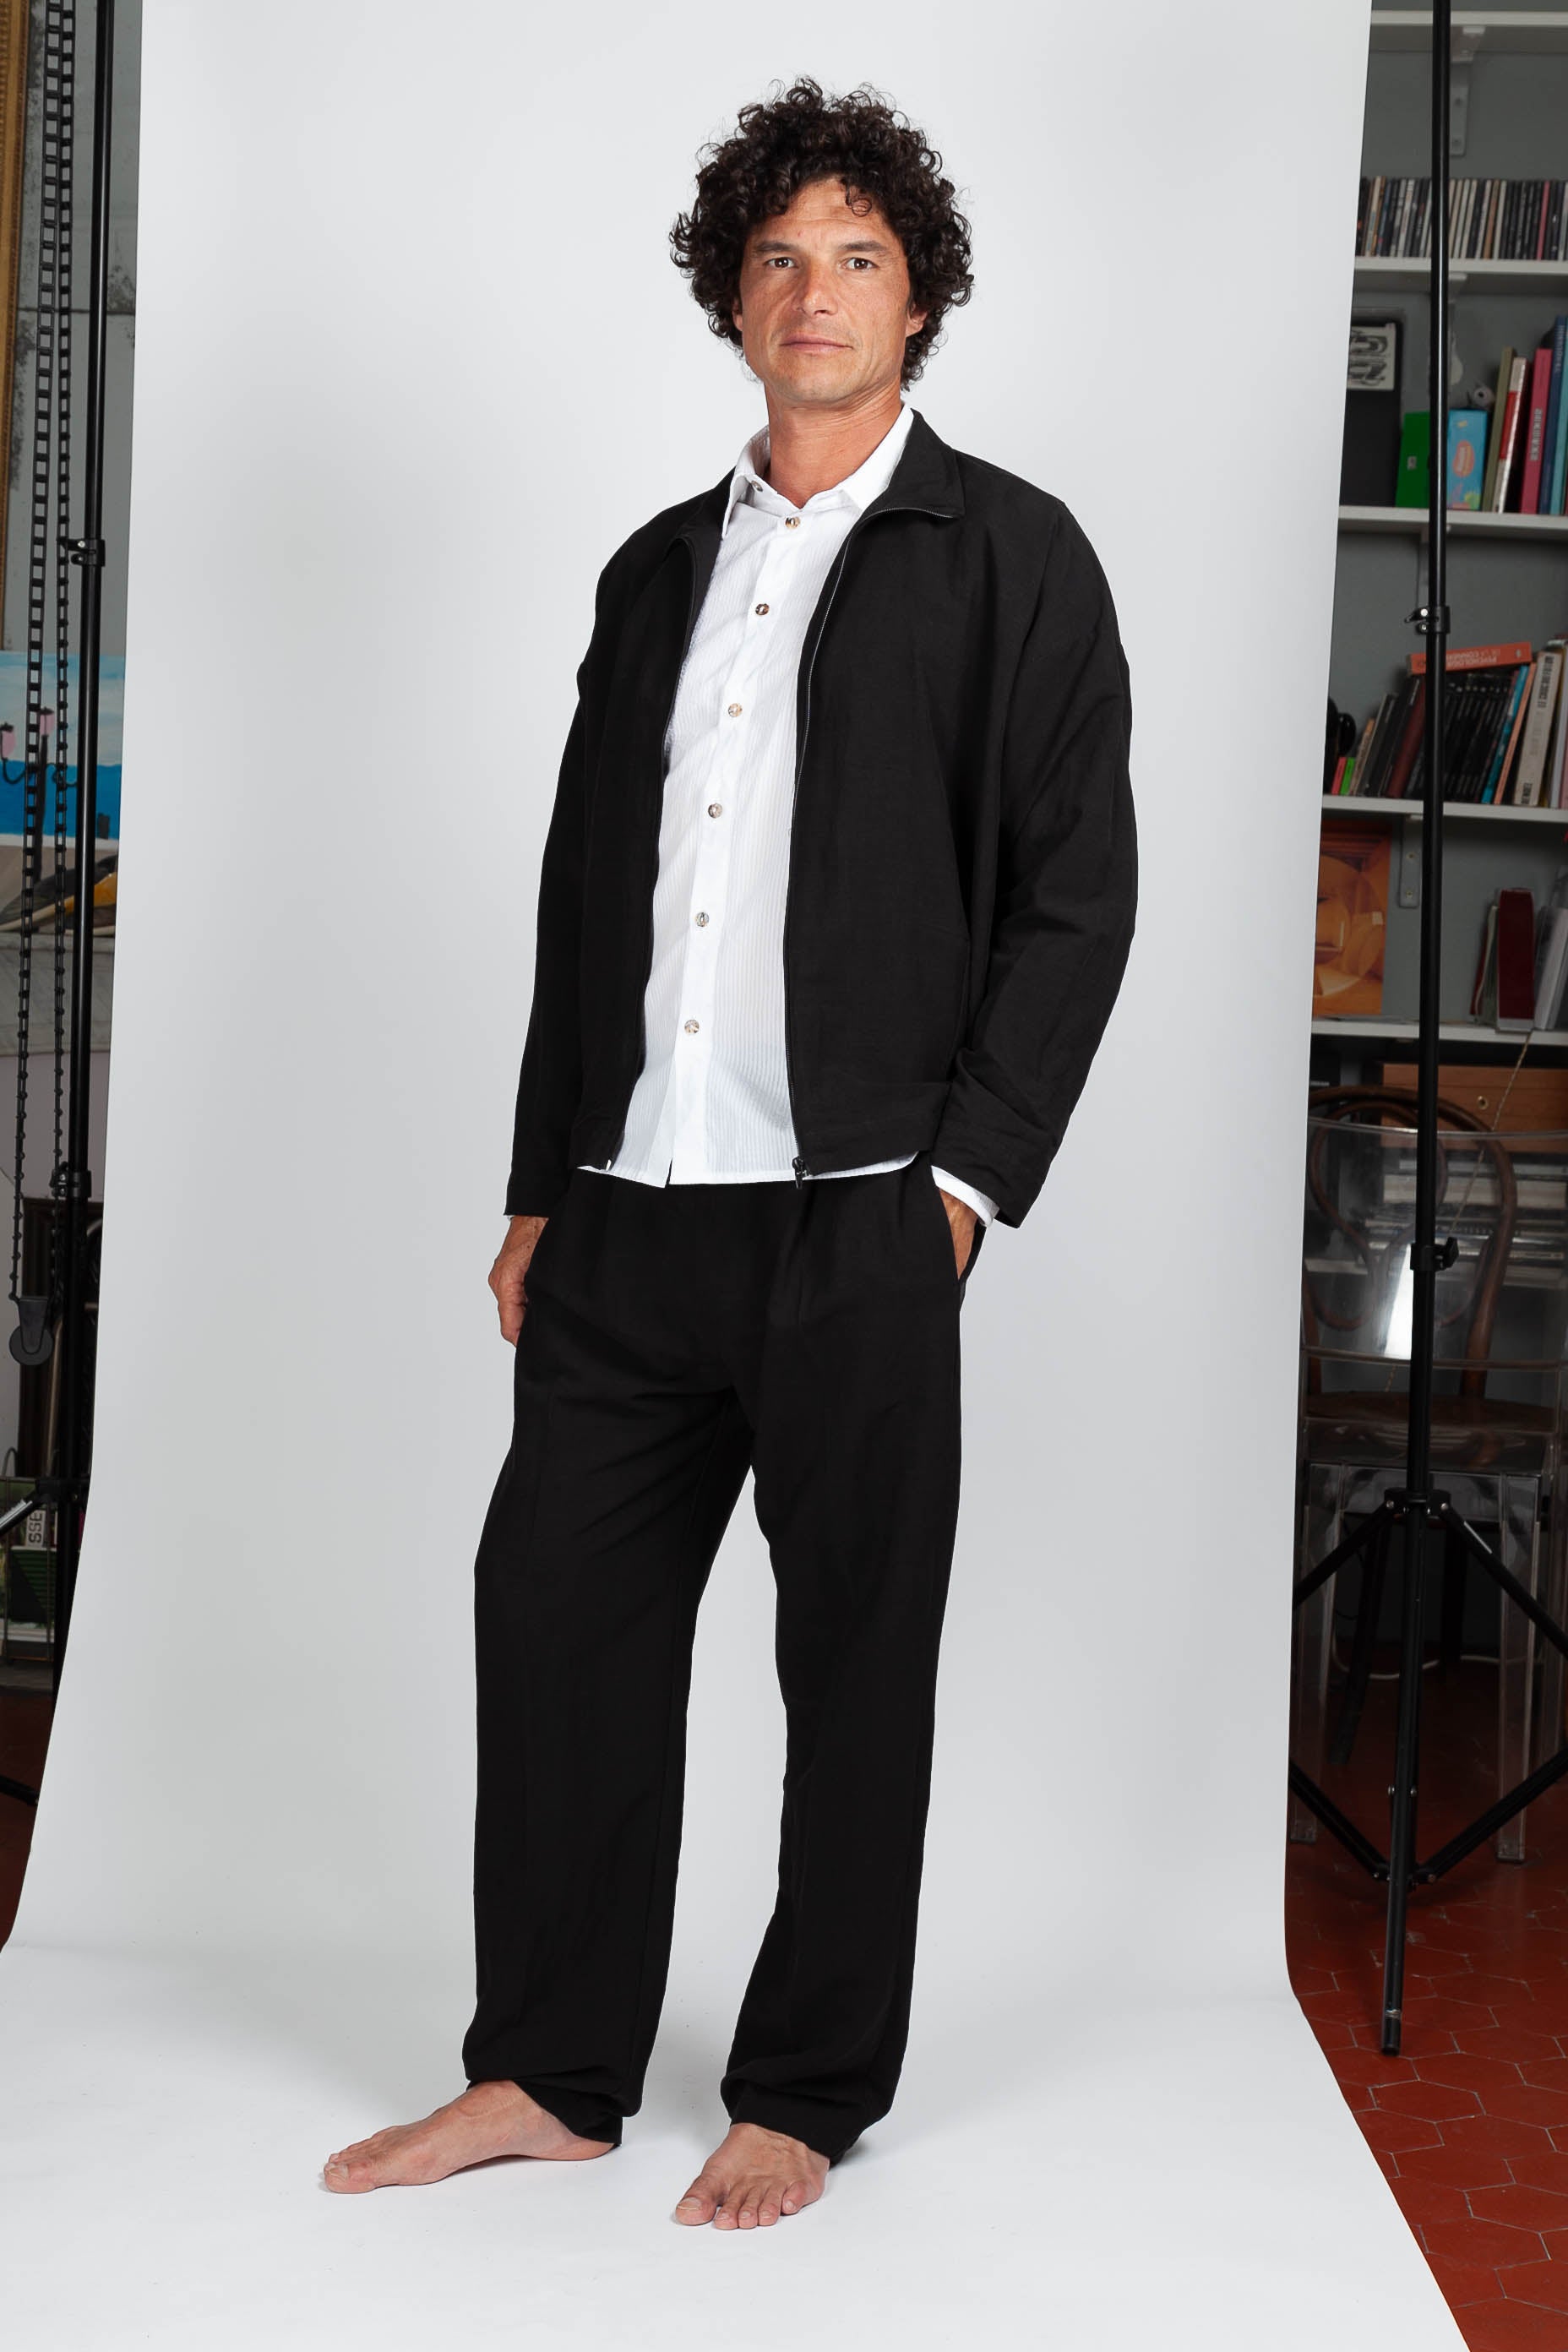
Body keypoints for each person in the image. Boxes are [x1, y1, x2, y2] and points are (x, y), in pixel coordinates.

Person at [324, 74, 1136, 2229]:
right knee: (554, 1626)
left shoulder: (1013, 558)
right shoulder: (655, 568)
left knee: (851, 1667)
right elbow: (582, 895)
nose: (814, 292)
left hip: (861, 1222)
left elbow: (1077, 893)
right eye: (779, 257)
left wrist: (960, 1187)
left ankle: (803, 2089)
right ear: (731, 295)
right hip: (627, 1218)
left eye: (857, 257)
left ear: (919, 298)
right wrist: (538, 1179)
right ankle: (544, 2069)